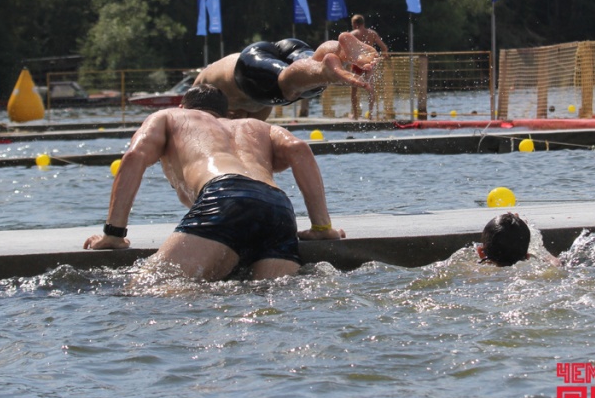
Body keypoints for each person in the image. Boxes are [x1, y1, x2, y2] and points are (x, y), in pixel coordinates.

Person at [83, 84, 345, 281]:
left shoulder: (169, 116)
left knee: (147, 290)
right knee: (269, 298)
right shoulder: (257, 126)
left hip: (225, 197)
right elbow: (300, 149)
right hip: (278, 208)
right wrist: (322, 227)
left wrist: (113, 234)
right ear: (226, 113)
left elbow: (133, 157)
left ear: (183, 107)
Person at [193, 32, 379, 120]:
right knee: (309, 77)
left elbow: (196, 124)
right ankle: (340, 50)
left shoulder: (195, 103)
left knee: (287, 86)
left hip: (247, 67)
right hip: (282, 49)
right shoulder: (254, 108)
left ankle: (325, 71)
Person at [475, 212, 561, 267]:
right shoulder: (529, 271)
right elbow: (557, 264)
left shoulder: (476, 271)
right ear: (527, 256)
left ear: (480, 252)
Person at [348, 14, 389, 120]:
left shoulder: (353, 34)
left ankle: (355, 114)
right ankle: (370, 114)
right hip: (369, 62)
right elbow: (384, 47)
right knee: (370, 88)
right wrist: (384, 56)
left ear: (355, 24)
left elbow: (345, 49)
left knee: (354, 90)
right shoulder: (372, 33)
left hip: (357, 62)